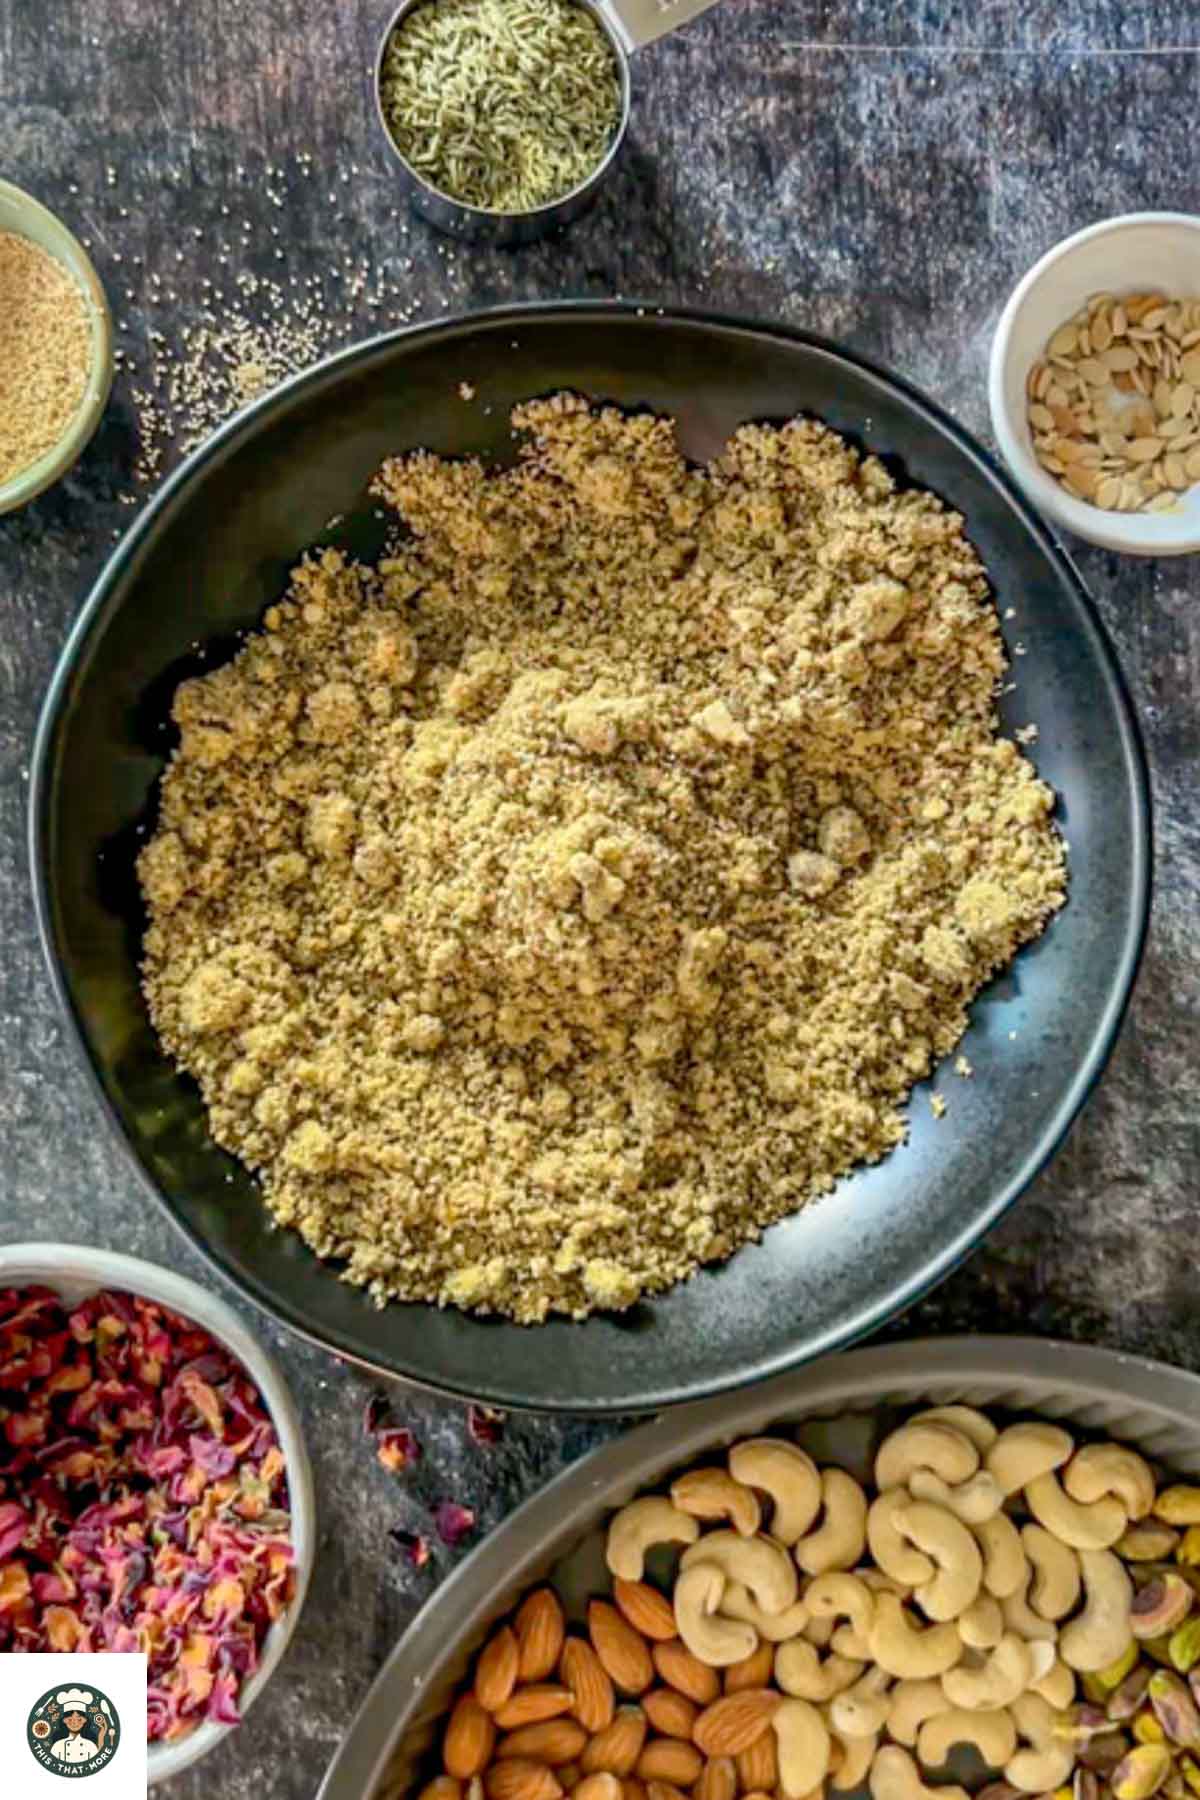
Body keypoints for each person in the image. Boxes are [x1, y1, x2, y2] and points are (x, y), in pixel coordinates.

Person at [50, 1689, 101, 1764]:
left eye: (79, 1719)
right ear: (64, 1721)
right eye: (70, 1719)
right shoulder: (58, 1745)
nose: (75, 1723)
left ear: (85, 1721)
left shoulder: (90, 1745)